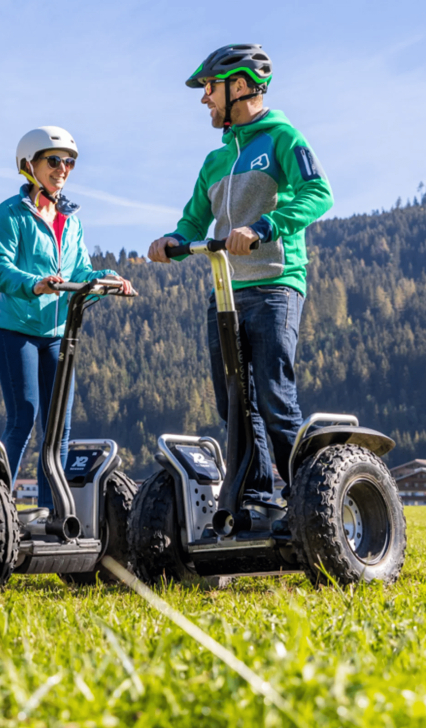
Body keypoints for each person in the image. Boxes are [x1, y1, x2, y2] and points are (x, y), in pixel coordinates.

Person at [147, 44, 334, 499]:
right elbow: (193, 221)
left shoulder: (282, 137)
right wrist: (171, 240)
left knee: (273, 398)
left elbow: (318, 193)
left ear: (240, 85)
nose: (204, 98)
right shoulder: (214, 161)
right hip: (227, 292)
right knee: (234, 403)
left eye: (209, 87)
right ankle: (255, 498)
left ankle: (308, 499)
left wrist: (266, 226)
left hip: (274, 287)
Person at [0, 126, 135, 511]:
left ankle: (53, 513)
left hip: (57, 333)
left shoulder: (71, 219)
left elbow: (80, 271)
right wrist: (34, 284)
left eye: (68, 162)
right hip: (15, 330)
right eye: (53, 161)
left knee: (59, 425)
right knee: (25, 417)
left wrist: (108, 280)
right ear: (28, 165)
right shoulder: (10, 214)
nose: (63, 169)